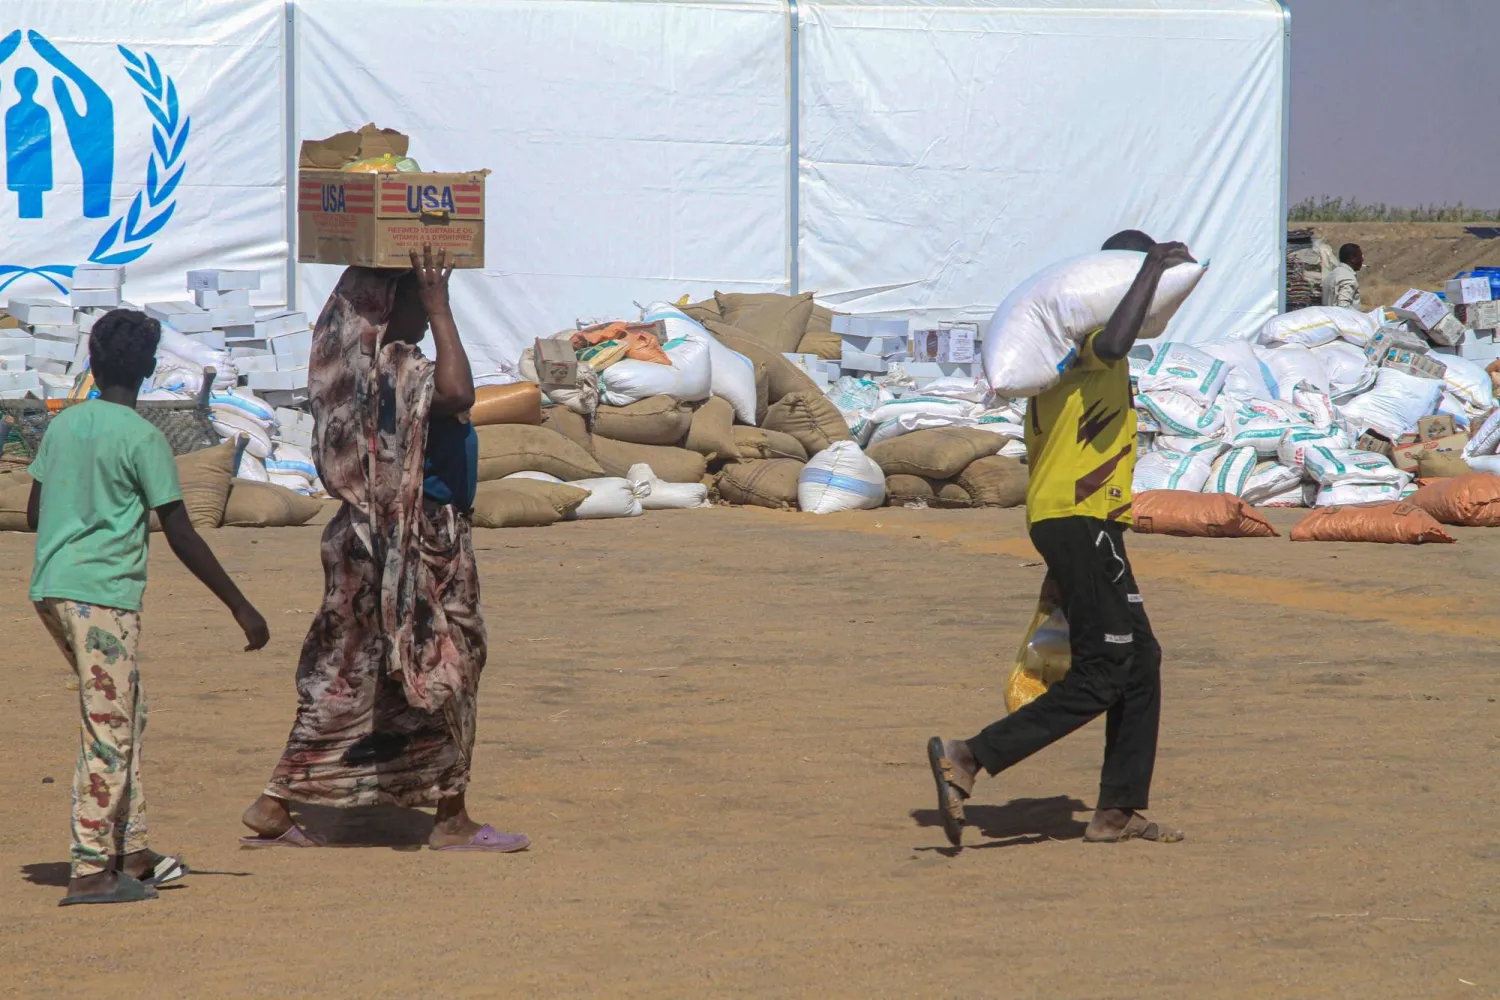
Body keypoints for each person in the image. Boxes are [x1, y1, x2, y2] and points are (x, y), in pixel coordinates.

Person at [240, 248, 527, 853]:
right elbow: (458, 394)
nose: (424, 314)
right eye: (414, 298)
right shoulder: (388, 371)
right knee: (452, 660)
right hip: (414, 543)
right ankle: (450, 818)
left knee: (352, 674)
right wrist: (443, 308)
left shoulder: (350, 368)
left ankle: (275, 803)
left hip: (370, 542)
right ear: (385, 307)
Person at [925, 230, 1195, 848]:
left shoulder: (1062, 361)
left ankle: (1117, 811)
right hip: (1077, 521)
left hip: (1085, 524)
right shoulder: (1084, 349)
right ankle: (969, 757)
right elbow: (1120, 335)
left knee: (1141, 660)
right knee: (1106, 669)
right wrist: (1151, 266)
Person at [28, 309, 270, 905]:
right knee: (107, 726)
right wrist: (242, 607)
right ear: (150, 367)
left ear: (93, 359)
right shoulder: (143, 437)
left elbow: (35, 514)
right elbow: (182, 532)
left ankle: (131, 849)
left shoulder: (64, 426)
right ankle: (89, 869)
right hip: (101, 598)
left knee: (125, 710)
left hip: (52, 588)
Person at [1323, 243, 1362, 310]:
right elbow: (1344, 308)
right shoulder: (1348, 278)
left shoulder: (1331, 275)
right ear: (1352, 259)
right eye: (1360, 256)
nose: (1362, 259)